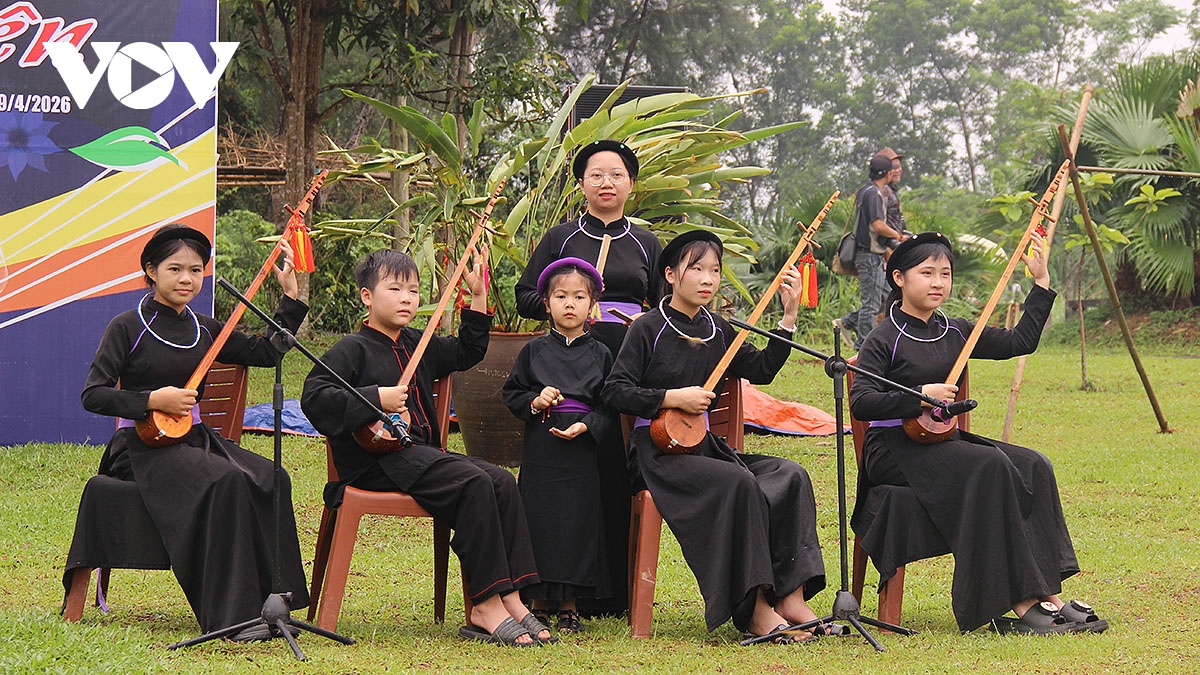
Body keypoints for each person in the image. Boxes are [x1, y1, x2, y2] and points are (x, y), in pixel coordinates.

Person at [848, 231, 1108, 635]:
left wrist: (1040, 282)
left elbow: (1020, 341)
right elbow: (862, 401)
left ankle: (1049, 595)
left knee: (1033, 464)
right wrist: (918, 396)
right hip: (892, 450)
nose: (938, 282)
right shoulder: (884, 337)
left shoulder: (954, 330)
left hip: (939, 445)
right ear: (899, 278)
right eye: (927, 273)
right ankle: (1018, 603)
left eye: (945, 274)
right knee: (989, 465)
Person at [301, 247, 555, 647]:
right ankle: (483, 605)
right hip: (377, 462)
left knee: (502, 480)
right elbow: (314, 397)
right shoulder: (351, 349)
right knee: (473, 481)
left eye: (414, 291)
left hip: (422, 458)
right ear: (367, 296)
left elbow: (469, 351)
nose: (407, 298)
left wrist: (477, 296)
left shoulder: (420, 343)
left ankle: (512, 596)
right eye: (395, 288)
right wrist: (375, 397)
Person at [79, 224, 310, 641]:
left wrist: (291, 298)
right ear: (151, 271)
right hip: (140, 447)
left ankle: (277, 603)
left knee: (272, 477)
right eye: (175, 269)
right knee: (225, 483)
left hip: (195, 441)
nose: (187, 279)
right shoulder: (127, 326)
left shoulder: (205, 328)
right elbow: (93, 395)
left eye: (196, 270)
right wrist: (152, 400)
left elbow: (265, 350)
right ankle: (232, 617)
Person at [602, 230, 829, 645]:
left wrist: (788, 318)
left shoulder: (719, 328)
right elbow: (615, 390)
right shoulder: (647, 327)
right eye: (697, 269)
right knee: (737, 482)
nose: (708, 278)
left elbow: (761, 369)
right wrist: (672, 397)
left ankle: (792, 598)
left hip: (706, 449)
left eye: (715, 270)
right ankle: (756, 610)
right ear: (670, 275)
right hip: (656, 455)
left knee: (790, 474)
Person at [514, 138, 663, 616]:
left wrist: (636, 321)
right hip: (570, 361)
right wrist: (575, 309)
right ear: (581, 183)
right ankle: (550, 587)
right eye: (596, 174)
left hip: (627, 363)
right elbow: (524, 296)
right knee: (571, 472)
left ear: (631, 185)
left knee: (612, 472)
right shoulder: (561, 238)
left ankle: (608, 593)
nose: (606, 182)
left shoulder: (647, 242)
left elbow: (664, 308)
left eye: (616, 175)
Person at [503, 257, 619, 634]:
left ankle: (570, 605)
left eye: (579, 296)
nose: (570, 304)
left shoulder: (602, 354)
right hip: (542, 449)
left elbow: (610, 404)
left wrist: (587, 424)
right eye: (561, 296)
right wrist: (536, 401)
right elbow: (513, 393)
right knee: (538, 520)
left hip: (582, 452)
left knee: (577, 523)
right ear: (546, 303)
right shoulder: (533, 352)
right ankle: (537, 602)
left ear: (592, 305)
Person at [834, 154, 908, 350]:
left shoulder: (864, 190)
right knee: (872, 304)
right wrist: (898, 237)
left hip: (868, 253)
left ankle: (848, 322)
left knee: (886, 297)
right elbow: (877, 225)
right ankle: (863, 347)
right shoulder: (875, 194)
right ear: (885, 173)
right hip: (869, 255)